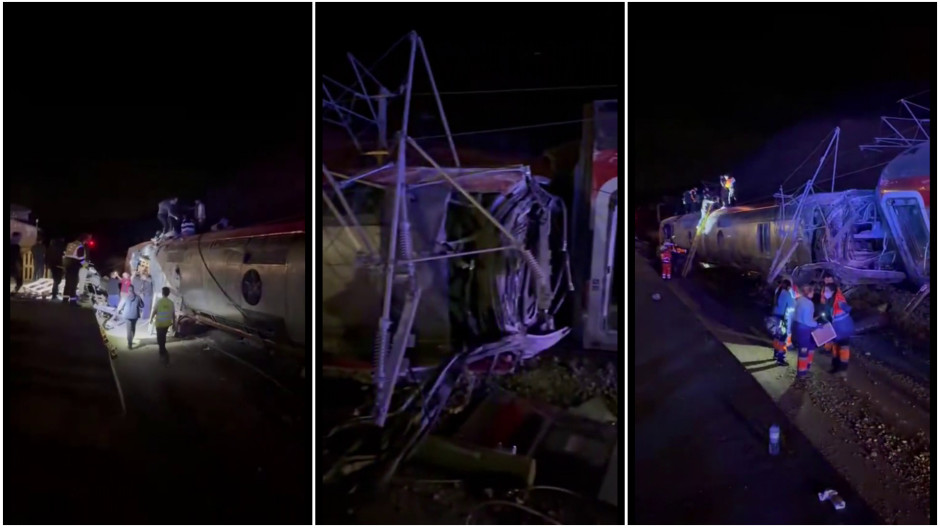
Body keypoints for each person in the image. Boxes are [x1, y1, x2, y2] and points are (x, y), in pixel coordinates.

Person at [791, 281, 821, 379]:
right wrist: (817, 324)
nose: (814, 293)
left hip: (798, 327)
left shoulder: (799, 300)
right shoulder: (809, 304)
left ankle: (805, 368)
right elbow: (807, 321)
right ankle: (802, 373)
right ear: (808, 292)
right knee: (804, 350)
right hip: (805, 330)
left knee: (809, 347)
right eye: (812, 291)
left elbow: (799, 316)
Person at [823, 282, 854, 375]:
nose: (825, 292)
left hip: (844, 329)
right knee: (836, 348)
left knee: (843, 349)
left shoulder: (839, 300)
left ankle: (842, 368)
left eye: (827, 291)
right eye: (824, 291)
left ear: (833, 292)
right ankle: (836, 367)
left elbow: (847, 308)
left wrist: (845, 307)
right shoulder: (832, 301)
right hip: (838, 329)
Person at [769, 278, 795, 366]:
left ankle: (775, 354)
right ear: (788, 286)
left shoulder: (778, 290)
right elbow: (792, 305)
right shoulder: (787, 294)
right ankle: (780, 358)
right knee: (782, 338)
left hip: (774, 316)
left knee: (776, 336)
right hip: (781, 318)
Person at [150, 286, 176, 365]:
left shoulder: (159, 301)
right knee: (163, 337)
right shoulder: (171, 303)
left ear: (162, 293)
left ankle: (163, 353)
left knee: (159, 339)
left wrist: (151, 319)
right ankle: (163, 351)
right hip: (167, 324)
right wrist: (174, 323)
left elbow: (154, 311)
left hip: (159, 323)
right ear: (168, 293)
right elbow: (173, 314)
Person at [62, 234, 91, 303]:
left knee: (68, 282)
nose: (86, 242)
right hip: (74, 266)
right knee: (74, 283)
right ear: (84, 240)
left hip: (67, 264)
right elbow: (81, 258)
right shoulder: (80, 246)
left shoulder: (70, 244)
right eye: (86, 241)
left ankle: (65, 300)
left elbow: (66, 254)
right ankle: (73, 301)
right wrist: (86, 266)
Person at [116, 284, 145, 349]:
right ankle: (131, 339)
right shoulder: (138, 297)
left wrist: (118, 311)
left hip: (127, 315)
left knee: (128, 329)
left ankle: (130, 343)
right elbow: (142, 306)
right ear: (133, 289)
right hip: (135, 315)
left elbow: (120, 306)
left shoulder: (125, 297)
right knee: (133, 328)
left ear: (128, 290)